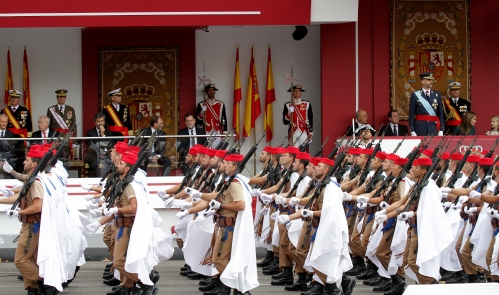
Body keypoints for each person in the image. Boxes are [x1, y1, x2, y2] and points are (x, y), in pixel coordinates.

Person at [0, 145, 60, 295]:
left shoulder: (35, 182)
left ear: (34, 164)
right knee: (30, 259)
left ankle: (43, 283)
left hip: (32, 225)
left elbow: (38, 205)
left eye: (26, 160)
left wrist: (20, 211)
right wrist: (2, 201)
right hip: (30, 224)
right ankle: (32, 289)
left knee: (20, 259)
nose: (23, 162)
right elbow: (20, 197)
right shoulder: (32, 179)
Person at [85, 113, 119, 177]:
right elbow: (91, 146)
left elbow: (109, 147)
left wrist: (103, 135)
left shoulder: (109, 133)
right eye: (98, 121)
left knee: (113, 162)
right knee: (95, 164)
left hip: (106, 155)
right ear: (94, 122)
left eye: (102, 121)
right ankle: (98, 180)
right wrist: (101, 135)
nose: (100, 123)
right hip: (94, 155)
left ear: (104, 122)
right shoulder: (90, 132)